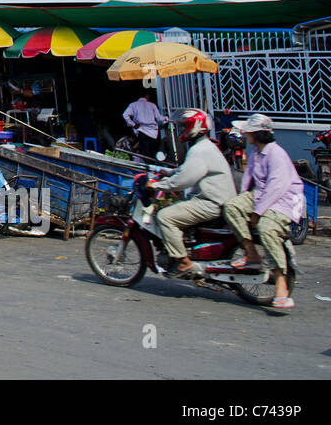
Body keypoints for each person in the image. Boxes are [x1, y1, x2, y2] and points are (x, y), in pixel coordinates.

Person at [222, 114, 303, 309]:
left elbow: (277, 186)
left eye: (248, 131)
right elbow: (247, 182)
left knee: (267, 228)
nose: (245, 134)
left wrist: (257, 213)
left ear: (256, 134)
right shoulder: (256, 153)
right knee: (231, 207)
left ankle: (281, 283)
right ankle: (250, 252)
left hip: (285, 200)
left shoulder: (276, 154)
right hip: (261, 195)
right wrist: (242, 203)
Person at [149, 108, 238, 276]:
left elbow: (184, 181)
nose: (182, 130)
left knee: (165, 217)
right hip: (215, 200)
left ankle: (184, 262)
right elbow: (186, 170)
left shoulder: (199, 150)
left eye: (184, 127)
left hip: (211, 203)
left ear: (194, 127)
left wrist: (157, 186)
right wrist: (168, 173)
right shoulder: (205, 147)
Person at [123, 91, 168, 162]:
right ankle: (153, 167)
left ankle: (148, 167)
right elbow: (159, 118)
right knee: (153, 153)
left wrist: (133, 124)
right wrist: (167, 118)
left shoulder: (133, 105)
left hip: (142, 131)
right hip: (153, 133)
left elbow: (125, 115)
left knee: (145, 154)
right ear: (147, 96)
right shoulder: (152, 105)